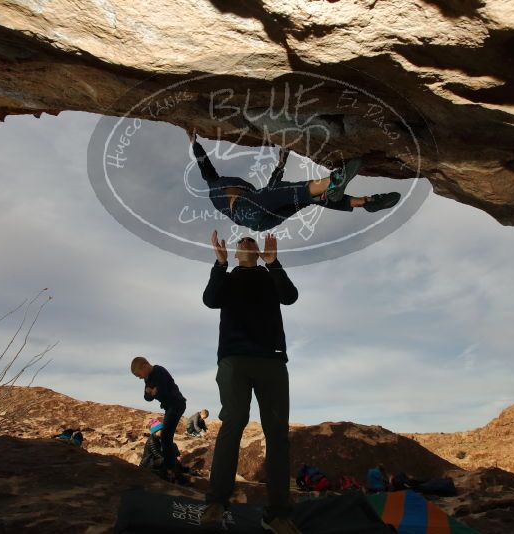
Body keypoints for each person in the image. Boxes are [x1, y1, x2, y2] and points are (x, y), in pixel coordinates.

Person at [199, 230, 301, 534]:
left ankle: (279, 513)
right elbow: (209, 300)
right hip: (234, 360)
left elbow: (290, 297)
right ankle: (217, 502)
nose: (245, 242)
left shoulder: (270, 276)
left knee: (277, 433)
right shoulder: (227, 279)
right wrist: (219, 265)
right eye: (240, 241)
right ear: (234, 252)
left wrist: (275, 263)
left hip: (271, 361)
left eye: (251, 242)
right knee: (233, 423)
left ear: (258, 252)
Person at [189, 130, 401, 232]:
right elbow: (205, 167)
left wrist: (282, 161)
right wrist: (194, 143)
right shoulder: (215, 186)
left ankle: (364, 202)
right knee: (286, 192)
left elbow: (271, 190)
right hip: (246, 214)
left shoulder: (250, 191)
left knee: (302, 198)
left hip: (262, 222)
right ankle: (333, 181)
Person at [130, 356, 187, 482]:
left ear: (145, 366)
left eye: (139, 375)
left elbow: (164, 391)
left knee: (166, 436)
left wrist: (156, 392)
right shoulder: (147, 379)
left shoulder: (159, 371)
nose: (140, 378)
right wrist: (151, 392)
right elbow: (147, 397)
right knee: (166, 436)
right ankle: (170, 468)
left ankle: (170, 470)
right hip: (169, 407)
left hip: (177, 403)